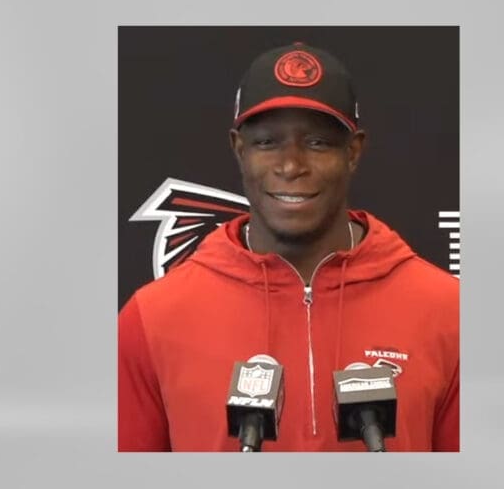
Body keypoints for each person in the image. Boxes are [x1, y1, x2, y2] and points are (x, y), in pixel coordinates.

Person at [118, 42, 459, 451]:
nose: (291, 165)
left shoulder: (447, 312)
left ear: (353, 152)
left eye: (317, 143)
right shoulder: (153, 318)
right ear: (239, 150)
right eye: (267, 143)